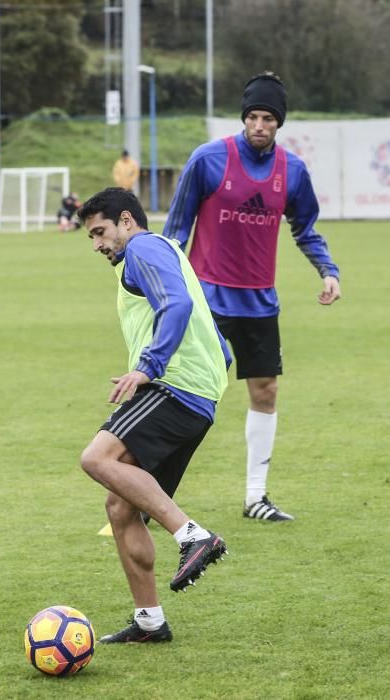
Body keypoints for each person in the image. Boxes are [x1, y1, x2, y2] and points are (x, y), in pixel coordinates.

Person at [163, 71, 341, 522]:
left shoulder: (293, 171)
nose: (259, 125)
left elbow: (306, 229)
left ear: (279, 124)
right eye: (253, 117)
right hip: (206, 299)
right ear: (244, 118)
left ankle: (255, 498)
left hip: (260, 302)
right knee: (186, 394)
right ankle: (150, 494)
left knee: (265, 391)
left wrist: (328, 271)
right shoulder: (208, 159)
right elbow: (176, 230)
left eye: (268, 118)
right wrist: (162, 285)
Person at [78, 187, 231, 644]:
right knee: (121, 508)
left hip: (173, 386)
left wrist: (149, 367)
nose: (97, 245)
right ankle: (150, 622)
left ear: (127, 220)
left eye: (101, 232)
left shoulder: (143, 246)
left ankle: (192, 536)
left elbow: (178, 304)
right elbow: (213, 336)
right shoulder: (164, 251)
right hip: (196, 395)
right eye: (90, 237)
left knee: (97, 458)